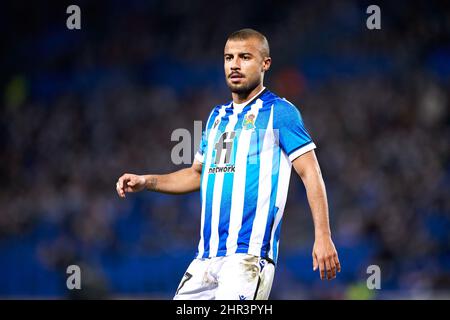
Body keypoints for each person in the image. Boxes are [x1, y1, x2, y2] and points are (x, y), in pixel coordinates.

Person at [116, 28, 340, 300]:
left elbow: (310, 173)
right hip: (204, 260)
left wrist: (323, 235)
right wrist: (147, 181)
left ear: (265, 64)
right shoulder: (217, 118)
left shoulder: (280, 113)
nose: (234, 64)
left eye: (245, 57)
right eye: (228, 57)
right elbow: (199, 175)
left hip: (247, 258)